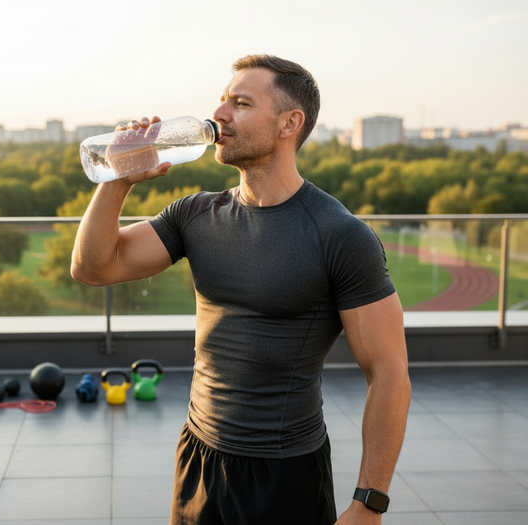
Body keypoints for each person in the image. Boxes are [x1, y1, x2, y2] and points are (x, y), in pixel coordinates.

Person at [71, 54, 411, 525]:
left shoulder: (340, 235)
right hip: (198, 456)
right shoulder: (195, 214)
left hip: (285, 472)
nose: (220, 115)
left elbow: (389, 373)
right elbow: (93, 268)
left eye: (241, 103)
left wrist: (368, 504)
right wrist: (118, 179)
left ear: (290, 123)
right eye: (223, 100)